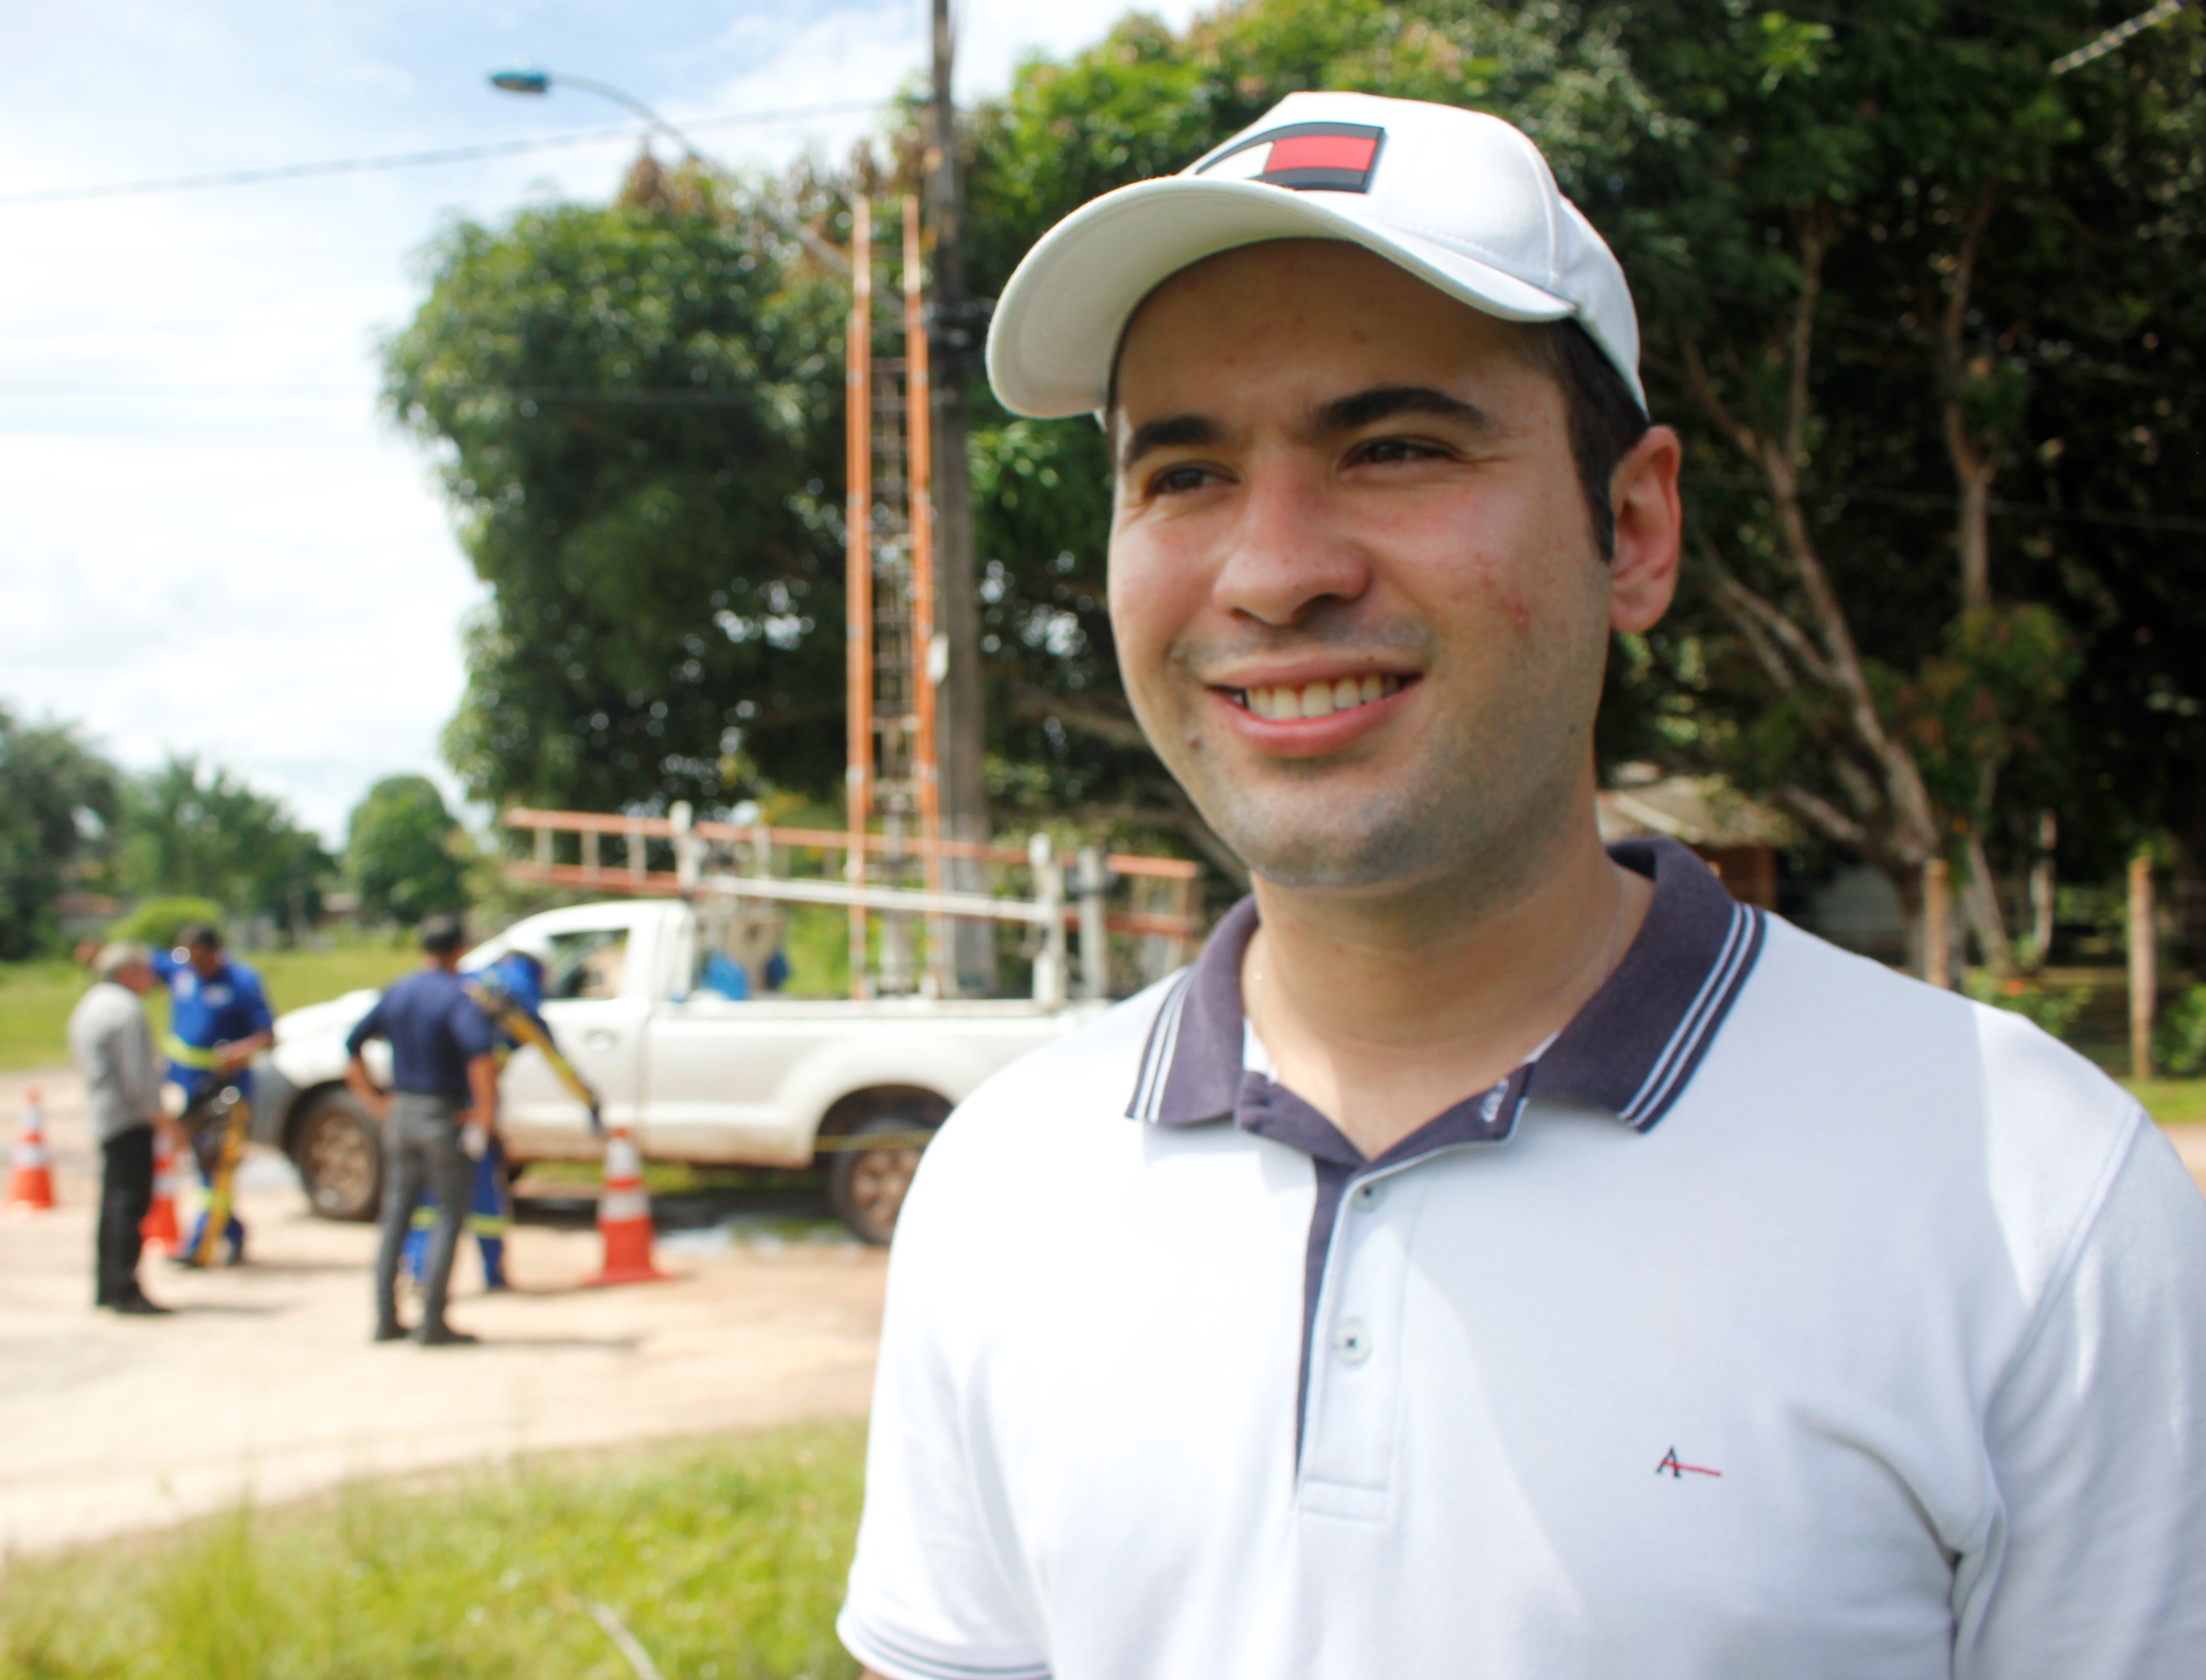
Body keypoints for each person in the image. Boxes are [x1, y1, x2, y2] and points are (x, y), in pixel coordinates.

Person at [839, 91, 2206, 1680]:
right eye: (1185, 474)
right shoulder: (1007, 1182)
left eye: (1395, 445)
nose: (1274, 570)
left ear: (1630, 527)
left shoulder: (2031, 1204)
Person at [347, 912, 500, 1346]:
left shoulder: (399, 991)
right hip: (443, 1116)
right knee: (449, 1218)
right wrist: (485, 1111)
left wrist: (375, 1101)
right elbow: (480, 1056)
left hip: (401, 1116)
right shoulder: (458, 996)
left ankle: (385, 1317)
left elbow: (351, 1045)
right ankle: (433, 1321)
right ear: (460, 949)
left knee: (395, 1217)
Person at [153, 922, 273, 1265]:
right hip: (186, 1088)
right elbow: (139, 965)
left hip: (227, 1092)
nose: (195, 966)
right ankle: (231, 1231)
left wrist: (240, 1052)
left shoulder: (242, 982)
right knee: (203, 1166)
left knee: (217, 1165)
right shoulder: (180, 967)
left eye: (202, 960)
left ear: (217, 953)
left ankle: (200, 1245)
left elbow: (267, 1034)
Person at [67, 941, 172, 1316]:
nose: (150, 978)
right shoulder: (125, 1009)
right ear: (127, 972)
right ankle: (126, 1288)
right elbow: (139, 1076)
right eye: (144, 971)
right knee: (130, 1204)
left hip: (104, 1114)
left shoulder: (92, 1003)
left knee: (113, 1204)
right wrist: (161, 1118)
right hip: (128, 1118)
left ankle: (107, 1285)